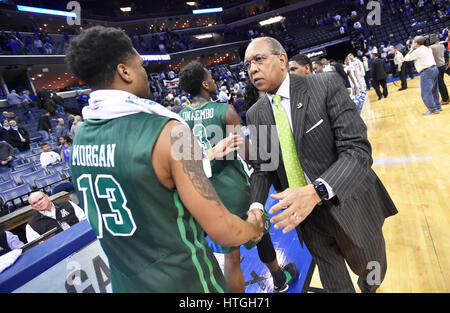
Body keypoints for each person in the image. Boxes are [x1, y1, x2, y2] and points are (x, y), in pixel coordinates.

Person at [65, 25, 264, 292]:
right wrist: (253, 226)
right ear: (124, 72)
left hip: (127, 284)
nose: (145, 73)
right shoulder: (169, 130)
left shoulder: (80, 139)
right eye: (139, 66)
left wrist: (206, 156)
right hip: (185, 281)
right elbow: (222, 230)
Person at [244, 37, 398, 293]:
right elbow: (263, 166)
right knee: (335, 286)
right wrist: (257, 206)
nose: (252, 69)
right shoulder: (256, 113)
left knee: (373, 274)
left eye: (259, 59)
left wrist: (315, 192)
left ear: (282, 59)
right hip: (308, 219)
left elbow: (357, 150)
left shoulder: (324, 85)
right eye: (248, 64)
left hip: (350, 202)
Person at [178, 62, 274, 293]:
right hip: (234, 189)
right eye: (210, 77)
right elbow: (247, 154)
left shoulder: (178, 118)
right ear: (204, 84)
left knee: (231, 259)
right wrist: (264, 157)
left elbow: (184, 163)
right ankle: (279, 278)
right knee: (260, 231)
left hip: (204, 196)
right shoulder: (225, 110)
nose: (213, 80)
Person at [404, 35, 441, 115]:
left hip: (427, 71)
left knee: (426, 93)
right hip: (434, 69)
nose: (412, 43)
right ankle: (438, 107)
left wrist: (411, 50)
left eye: (413, 42)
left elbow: (406, 58)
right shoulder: (427, 48)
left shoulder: (418, 51)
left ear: (416, 43)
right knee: (434, 90)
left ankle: (433, 110)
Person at [430, 35, 449, 105]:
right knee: (442, 83)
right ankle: (446, 97)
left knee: (440, 83)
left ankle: (445, 99)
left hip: (437, 66)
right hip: (442, 65)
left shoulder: (432, 47)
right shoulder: (441, 45)